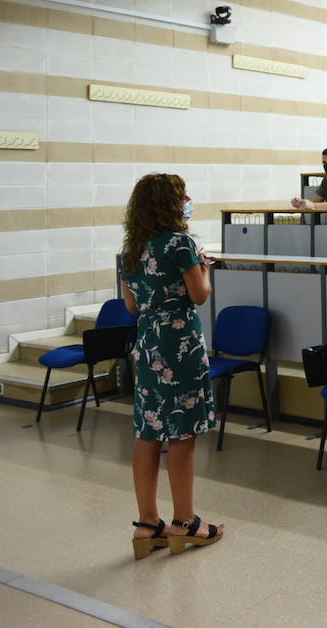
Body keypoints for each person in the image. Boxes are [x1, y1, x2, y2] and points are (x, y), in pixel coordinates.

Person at [120, 173, 223, 558]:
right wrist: (206, 269)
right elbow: (198, 295)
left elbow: (131, 305)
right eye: (183, 196)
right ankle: (185, 522)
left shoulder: (132, 246)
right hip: (180, 344)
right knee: (182, 432)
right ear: (170, 202)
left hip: (147, 344)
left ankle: (148, 524)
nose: (188, 200)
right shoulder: (181, 242)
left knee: (148, 431)